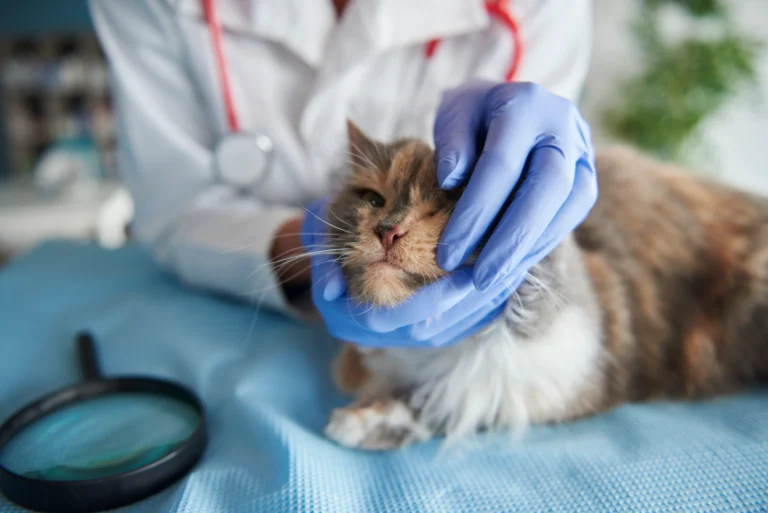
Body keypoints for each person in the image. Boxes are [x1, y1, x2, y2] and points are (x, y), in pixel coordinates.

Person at [89, 0, 597, 348]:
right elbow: (173, 207)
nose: (393, 227)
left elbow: (529, 201)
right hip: (233, 315)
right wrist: (313, 248)